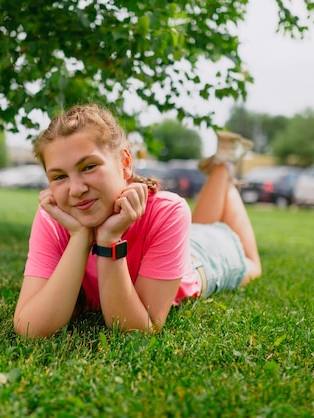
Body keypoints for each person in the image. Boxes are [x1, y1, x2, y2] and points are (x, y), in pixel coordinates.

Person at [14, 104, 261, 338]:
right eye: (59, 177)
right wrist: (80, 236)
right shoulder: (52, 218)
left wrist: (110, 240)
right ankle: (223, 167)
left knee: (252, 265)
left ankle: (224, 166)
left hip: (201, 260)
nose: (76, 189)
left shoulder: (168, 210)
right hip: (173, 245)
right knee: (199, 225)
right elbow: (30, 328)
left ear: (125, 163)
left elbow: (138, 327)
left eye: (89, 166)